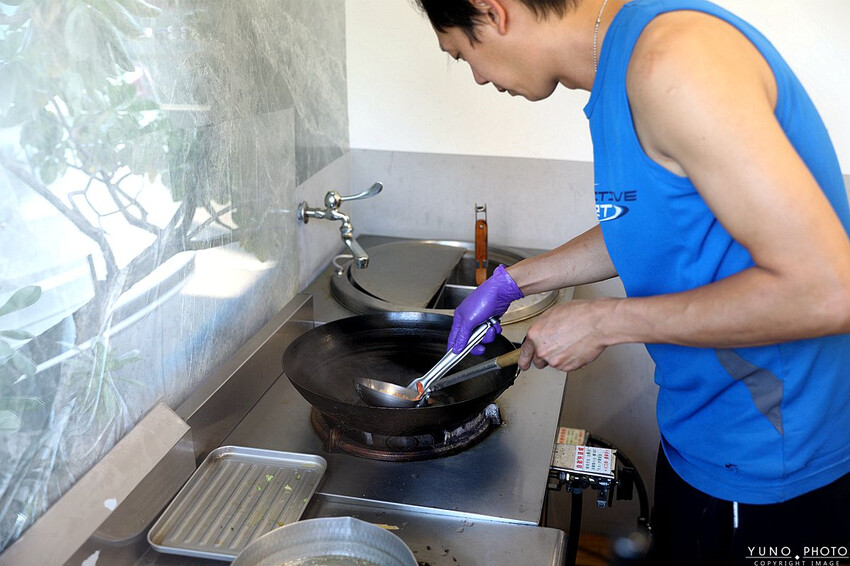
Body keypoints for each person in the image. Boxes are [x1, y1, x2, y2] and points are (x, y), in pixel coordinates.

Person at [414, 0, 850, 563]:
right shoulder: (622, 69)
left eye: (463, 54)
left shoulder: (674, 60)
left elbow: (827, 289)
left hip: (772, 464)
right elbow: (655, 219)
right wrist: (510, 283)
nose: (477, 77)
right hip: (700, 435)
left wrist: (604, 321)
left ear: (493, 12)